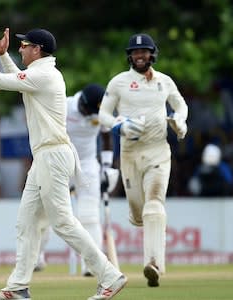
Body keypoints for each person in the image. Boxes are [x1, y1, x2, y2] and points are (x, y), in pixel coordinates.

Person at [0, 26, 126, 300]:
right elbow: (20, 79)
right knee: (26, 223)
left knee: (63, 223)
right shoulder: (41, 74)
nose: (20, 48)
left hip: (53, 156)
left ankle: (109, 276)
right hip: (46, 157)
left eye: (24, 45)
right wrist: (3, 56)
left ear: (38, 50)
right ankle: (18, 287)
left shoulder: (44, 75)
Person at [98, 33, 189, 288]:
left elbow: (181, 106)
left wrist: (179, 121)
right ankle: (146, 231)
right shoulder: (118, 83)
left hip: (158, 151)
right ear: (130, 55)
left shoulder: (164, 81)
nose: (140, 56)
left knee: (154, 207)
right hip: (129, 154)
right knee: (139, 215)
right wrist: (119, 125)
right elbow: (103, 114)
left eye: (144, 52)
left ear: (152, 54)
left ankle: (154, 265)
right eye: (136, 53)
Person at [35, 84, 118, 276]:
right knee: (43, 214)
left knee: (89, 215)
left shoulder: (99, 111)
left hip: (88, 165)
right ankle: (35, 258)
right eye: (89, 111)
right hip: (59, 163)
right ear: (82, 103)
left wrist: (106, 168)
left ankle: (92, 265)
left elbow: (107, 139)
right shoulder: (64, 106)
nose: (92, 116)